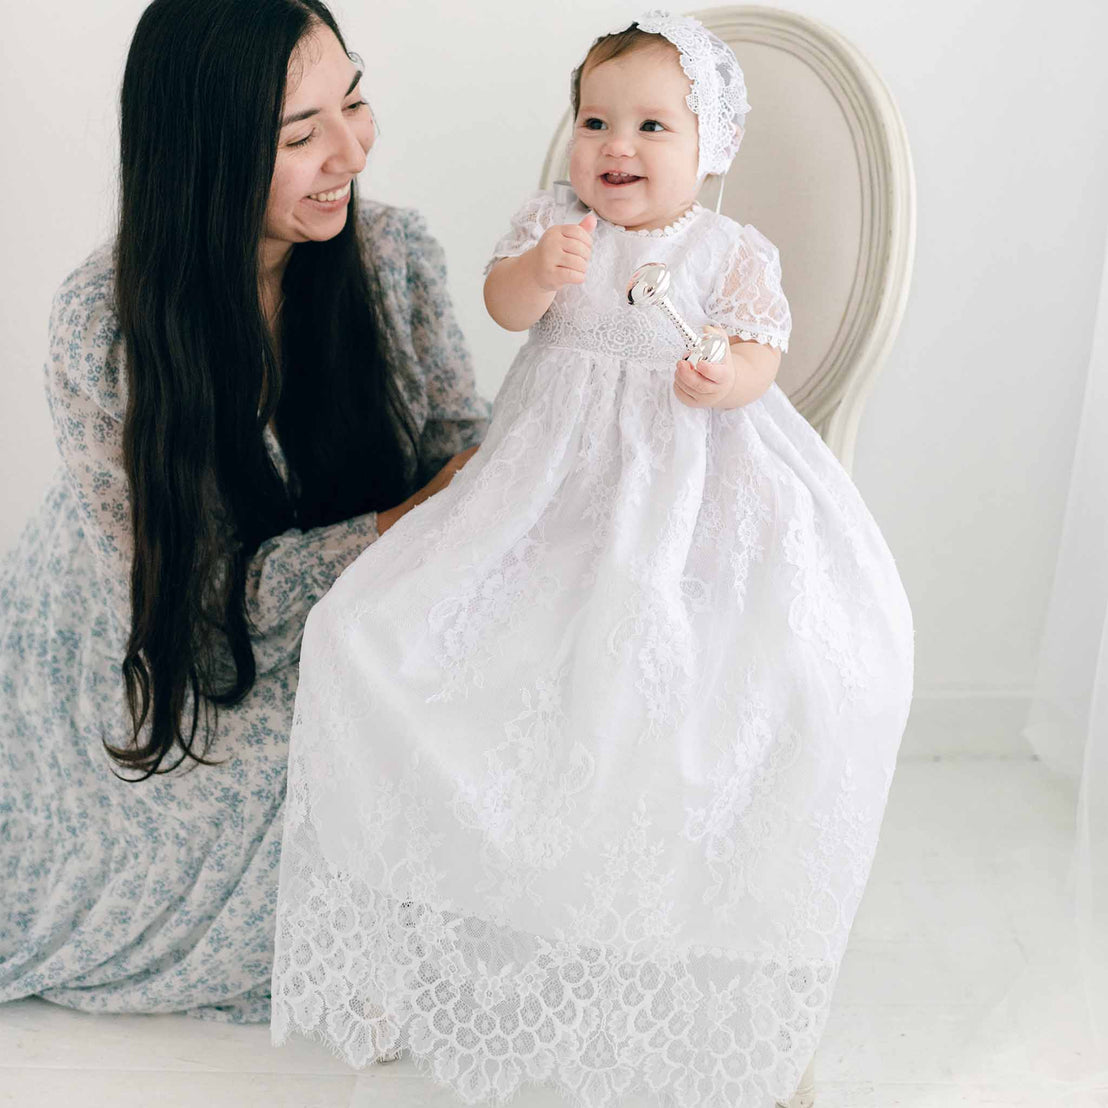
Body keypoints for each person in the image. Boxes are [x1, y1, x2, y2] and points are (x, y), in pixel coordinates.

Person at [270, 10, 914, 1108]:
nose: (617, 147)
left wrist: (729, 377)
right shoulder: (552, 225)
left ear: (707, 147)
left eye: (652, 126)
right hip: (543, 497)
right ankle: (406, 948)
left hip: (684, 499)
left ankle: (697, 981)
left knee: (677, 664)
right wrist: (538, 269)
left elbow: (761, 347)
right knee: (368, 634)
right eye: (595, 121)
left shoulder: (724, 250)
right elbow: (503, 307)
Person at [0, 0, 489, 1021]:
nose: (349, 151)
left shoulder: (393, 257)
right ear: (204, 157)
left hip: (341, 616)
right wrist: (402, 529)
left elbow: (462, 459)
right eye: (301, 136)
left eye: (354, 101)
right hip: (151, 642)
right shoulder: (106, 326)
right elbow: (189, 591)